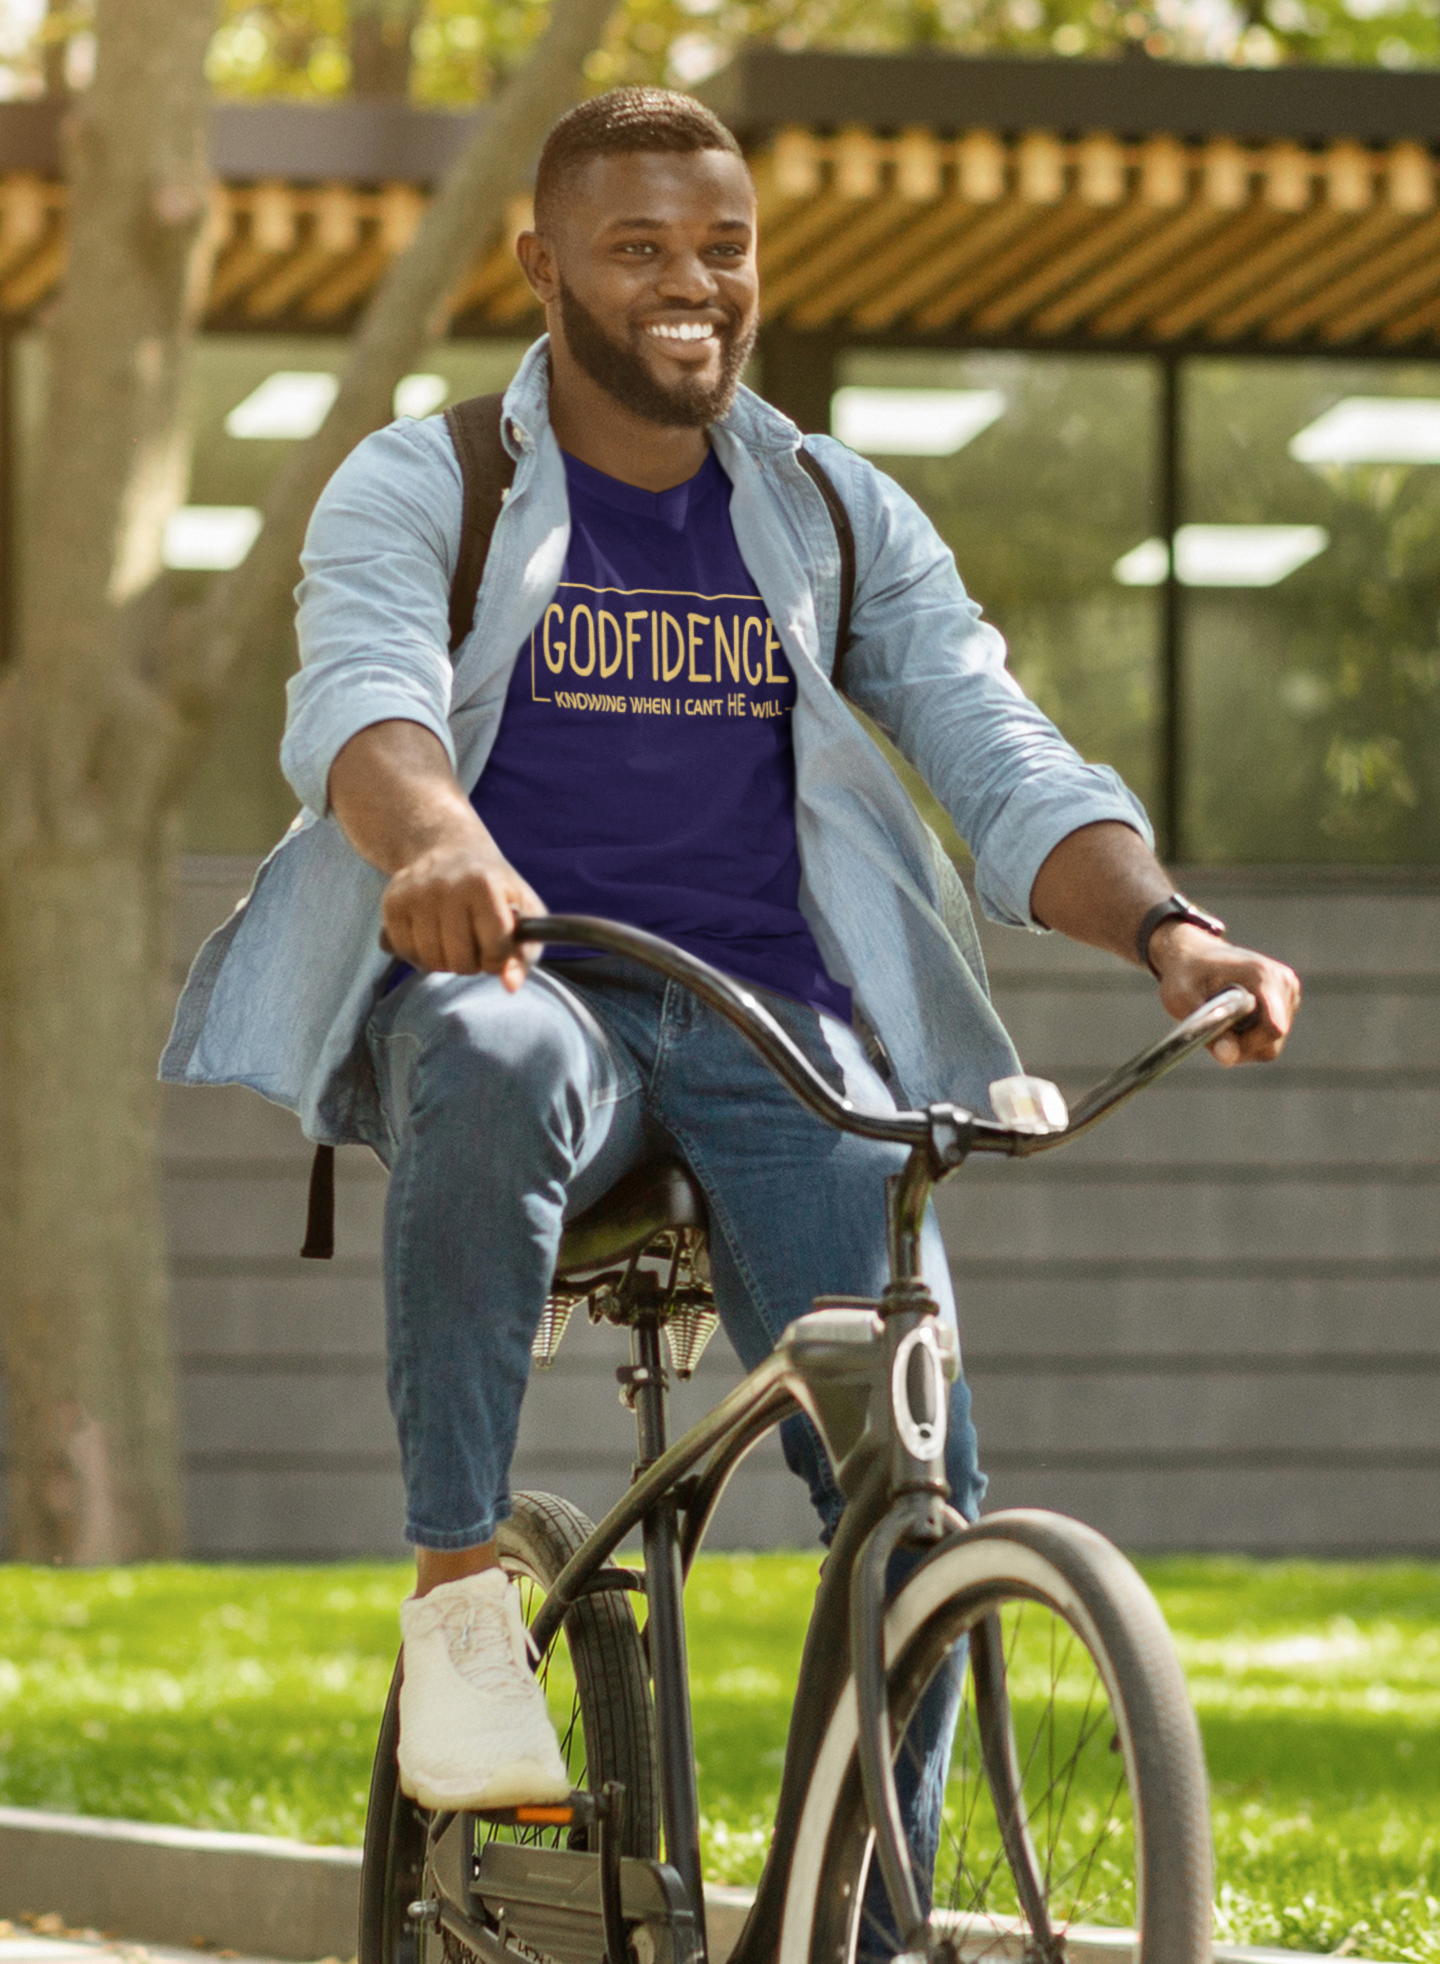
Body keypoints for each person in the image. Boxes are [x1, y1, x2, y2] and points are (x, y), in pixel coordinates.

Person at [164, 89, 1299, 1832]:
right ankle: (460, 1596)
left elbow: (994, 747)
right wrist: (442, 842)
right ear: (542, 268)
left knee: (913, 1498)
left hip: (780, 1032)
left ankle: (862, 1918)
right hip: (534, 989)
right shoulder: (433, 479)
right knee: (492, 1054)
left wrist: (1167, 925)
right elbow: (365, 698)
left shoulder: (832, 510)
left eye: (723, 246)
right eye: (638, 248)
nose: (693, 282)